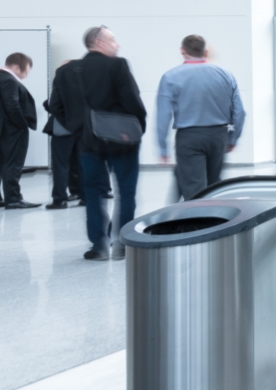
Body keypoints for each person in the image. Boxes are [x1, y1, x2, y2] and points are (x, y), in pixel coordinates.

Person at [75, 27, 147, 261]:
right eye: (113, 40)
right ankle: (123, 243)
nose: (117, 45)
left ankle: (98, 245)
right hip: (121, 140)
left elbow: (58, 105)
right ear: (98, 42)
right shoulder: (118, 65)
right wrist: (138, 128)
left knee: (93, 193)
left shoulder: (69, 70)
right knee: (126, 191)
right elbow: (133, 101)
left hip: (87, 142)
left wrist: (81, 129)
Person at [156, 35, 246, 200]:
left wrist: (162, 148)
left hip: (189, 137)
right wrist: (233, 138)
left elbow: (163, 115)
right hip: (219, 135)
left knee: (194, 190)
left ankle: (196, 224)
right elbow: (240, 112)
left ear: (182, 51)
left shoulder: (170, 77)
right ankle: (215, 223)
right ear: (205, 51)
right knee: (214, 188)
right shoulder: (226, 74)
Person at [44, 59, 86, 209]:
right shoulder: (91, 75)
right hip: (84, 129)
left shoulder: (61, 74)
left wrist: (67, 121)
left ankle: (59, 200)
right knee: (82, 163)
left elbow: (53, 104)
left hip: (63, 129)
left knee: (61, 165)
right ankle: (85, 197)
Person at [1, 53, 40, 210]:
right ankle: (13, 199)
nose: (27, 74)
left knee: (2, 164)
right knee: (13, 164)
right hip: (12, 131)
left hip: (3, 130)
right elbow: (12, 106)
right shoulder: (9, 80)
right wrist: (22, 125)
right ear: (17, 67)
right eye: (26, 70)